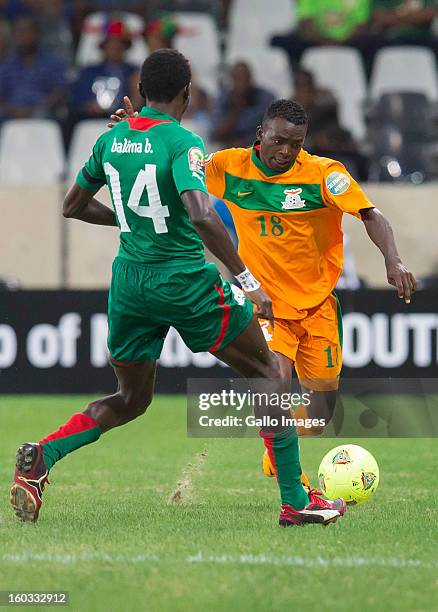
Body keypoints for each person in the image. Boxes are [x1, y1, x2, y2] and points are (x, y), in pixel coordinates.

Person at [10, 49, 346, 529]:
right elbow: (200, 212)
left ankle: (44, 454)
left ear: (143, 91)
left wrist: (131, 223)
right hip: (184, 280)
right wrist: (247, 280)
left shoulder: (113, 139)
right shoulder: (182, 141)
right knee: (270, 370)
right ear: (187, 93)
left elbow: (73, 206)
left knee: (132, 399)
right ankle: (295, 499)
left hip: (128, 283)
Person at [108, 95, 416, 483]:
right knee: (274, 384)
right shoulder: (227, 166)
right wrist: (142, 132)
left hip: (318, 306)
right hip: (266, 304)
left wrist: (394, 260)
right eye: (278, 141)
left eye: (296, 144)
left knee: (319, 418)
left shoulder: (324, 174)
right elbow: (172, 168)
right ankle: (295, 486)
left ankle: (275, 452)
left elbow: (371, 214)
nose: (286, 151)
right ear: (261, 134)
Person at [0, 15, 67, 121]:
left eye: (28, 32)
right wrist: (13, 110)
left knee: (44, 115)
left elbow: (60, 91)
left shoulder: (53, 63)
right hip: (12, 113)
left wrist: (39, 107)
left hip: (43, 110)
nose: (24, 37)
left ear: (37, 34)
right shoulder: (6, 65)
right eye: (19, 33)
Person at [70, 20, 138, 121]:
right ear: (103, 47)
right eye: (111, 45)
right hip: (92, 118)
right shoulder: (89, 72)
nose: (115, 48)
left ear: (125, 48)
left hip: (124, 121)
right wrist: (88, 105)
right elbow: (77, 98)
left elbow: (138, 104)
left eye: (119, 45)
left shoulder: (134, 72)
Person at [210, 61, 275, 148]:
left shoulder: (264, 98)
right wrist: (236, 109)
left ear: (250, 78)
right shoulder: (223, 99)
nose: (241, 83)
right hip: (228, 146)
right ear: (232, 79)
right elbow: (216, 134)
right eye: (238, 78)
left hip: (256, 146)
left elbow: (272, 130)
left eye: (244, 78)